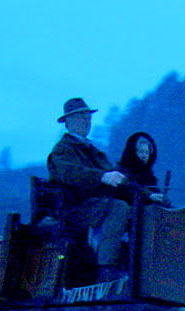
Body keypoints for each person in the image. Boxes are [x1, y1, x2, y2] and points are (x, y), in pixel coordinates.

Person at [46, 97, 162, 275]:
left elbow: (120, 180)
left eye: (88, 117)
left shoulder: (93, 151)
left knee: (139, 209)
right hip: (75, 207)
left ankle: (142, 267)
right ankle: (106, 270)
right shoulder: (63, 150)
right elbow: (70, 174)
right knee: (119, 208)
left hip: (96, 205)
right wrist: (102, 177)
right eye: (81, 117)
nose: (86, 121)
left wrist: (148, 195)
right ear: (68, 122)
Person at [115, 131, 168, 205]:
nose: (144, 156)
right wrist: (148, 195)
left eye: (147, 153)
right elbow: (128, 187)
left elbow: (156, 195)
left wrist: (163, 200)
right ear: (132, 153)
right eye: (141, 152)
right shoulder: (121, 171)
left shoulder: (149, 177)